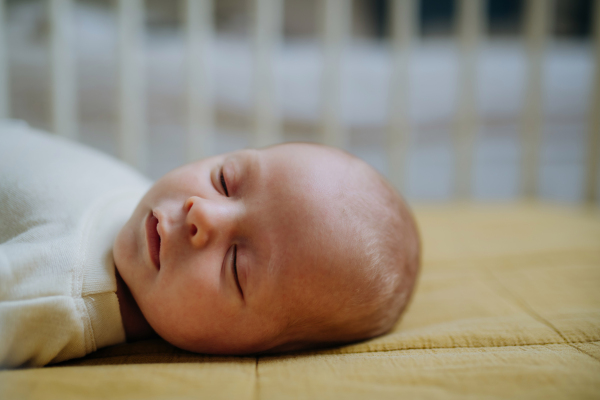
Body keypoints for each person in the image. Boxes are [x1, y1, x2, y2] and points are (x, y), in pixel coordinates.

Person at [0, 121, 420, 368]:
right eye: (224, 181)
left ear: (257, 350)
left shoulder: (54, 293)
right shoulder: (141, 204)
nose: (203, 212)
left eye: (236, 265)